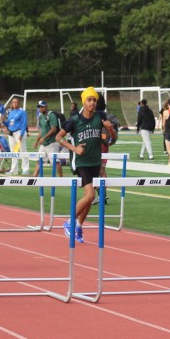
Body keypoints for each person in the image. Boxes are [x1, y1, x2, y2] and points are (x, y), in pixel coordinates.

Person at [54, 87, 116, 243]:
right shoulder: (74, 120)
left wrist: (110, 129)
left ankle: (79, 226)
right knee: (91, 195)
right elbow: (58, 137)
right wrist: (74, 148)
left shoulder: (101, 117)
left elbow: (111, 141)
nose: (92, 103)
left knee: (88, 198)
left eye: (94, 100)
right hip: (81, 162)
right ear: (84, 102)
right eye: (89, 100)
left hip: (95, 162)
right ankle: (69, 222)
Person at [32, 100, 64, 177]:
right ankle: (34, 177)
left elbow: (54, 129)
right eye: (39, 107)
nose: (40, 108)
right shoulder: (41, 117)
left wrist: (44, 138)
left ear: (46, 107)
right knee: (39, 160)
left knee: (55, 161)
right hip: (44, 143)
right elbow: (42, 130)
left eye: (42, 107)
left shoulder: (51, 115)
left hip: (52, 142)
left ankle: (61, 178)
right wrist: (36, 141)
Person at [3, 97, 28, 175]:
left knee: (23, 150)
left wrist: (21, 134)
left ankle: (25, 169)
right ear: (11, 104)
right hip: (11, 133)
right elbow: (8, 123)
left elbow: (24, 123)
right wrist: (3, 121)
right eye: (13, 102)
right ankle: (14, 170)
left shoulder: (22, 112)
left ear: (19, 103)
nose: (14, 104)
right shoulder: (11, 113)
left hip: (19, 132)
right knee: (13, 152)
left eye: (16, 102)